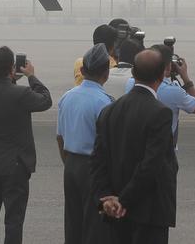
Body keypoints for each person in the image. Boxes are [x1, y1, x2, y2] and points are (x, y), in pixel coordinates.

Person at [91, 49, 178, 244]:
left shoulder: (109, 111)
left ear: (133, 73)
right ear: (163, 73)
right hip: (148, 211)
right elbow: (151, 165)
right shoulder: (160, 113)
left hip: (115, 211)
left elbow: (98, 160)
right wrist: (124, 199)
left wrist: (107, 198)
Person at [0, 47, 52, 244]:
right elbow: (45, 100)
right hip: (14, 166)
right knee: (13, 220)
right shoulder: (22, 93)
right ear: (11, 67)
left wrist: (10, 78)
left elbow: (1, 93)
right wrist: (32, 76)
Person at [57, 44, 113, 244]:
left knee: (73, 221)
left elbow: (60, 137)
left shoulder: (67, 97)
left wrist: (69, 162)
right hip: (94, 169)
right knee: (95, 225)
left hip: (71, 164)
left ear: (82, 71)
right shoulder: (105, 103)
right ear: (106, 74)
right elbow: (109, 146)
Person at [123, 44, 195, 146]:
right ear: (168, 67)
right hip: (164, 150)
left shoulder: (130, 83)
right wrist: (185, 77)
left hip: (135, 147)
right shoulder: (174, 91)